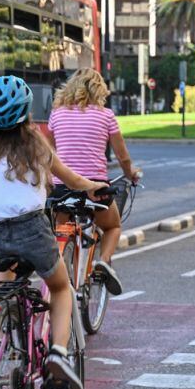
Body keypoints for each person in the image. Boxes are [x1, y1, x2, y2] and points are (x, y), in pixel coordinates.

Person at [0, 75, 107, 389]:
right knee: (60, 287)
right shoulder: (35, 146)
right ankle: (57, 353)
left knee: (4, 277)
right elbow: (71, 178)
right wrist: (93, 187)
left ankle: (0, 331)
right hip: (31, 230)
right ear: (26, 113)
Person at [48, 69, 141, 296]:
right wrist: (131, 174)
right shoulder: (106, 115)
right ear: (99, 91)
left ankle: (58, 270)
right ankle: (104, 261)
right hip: (95, 188)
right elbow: (122, 156)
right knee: (112, 226)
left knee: (60, 229)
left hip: (62, 188)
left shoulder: (56, 114)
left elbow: (50, 153)